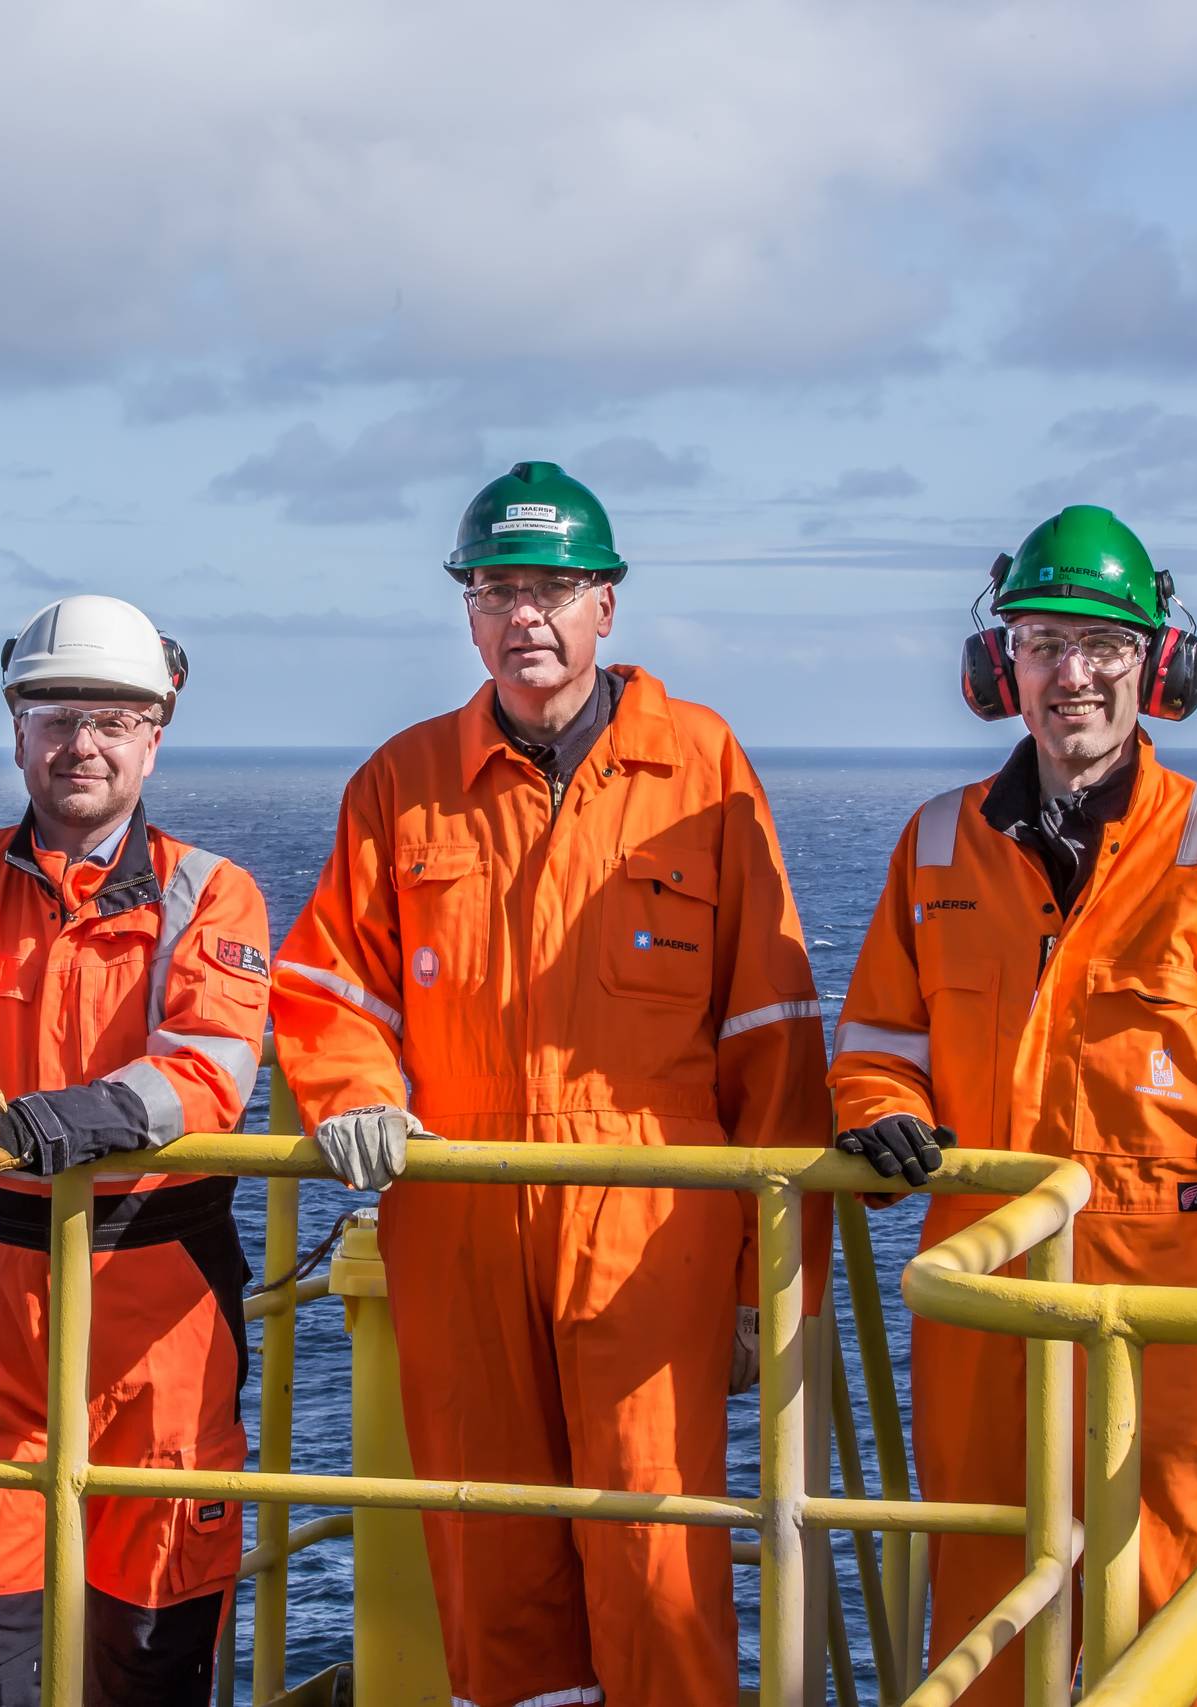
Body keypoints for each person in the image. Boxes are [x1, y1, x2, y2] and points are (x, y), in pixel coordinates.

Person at [269, 461, 831, 1707]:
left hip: (651, 1215)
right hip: (458, 1205)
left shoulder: (703, 768)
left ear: (607, 608)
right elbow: (326, 985)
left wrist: (768, 1282)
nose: (525, 615)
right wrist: (355, 1089)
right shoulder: (401, 783)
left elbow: (774, 1029)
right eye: (497, 589)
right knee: (488, 1543)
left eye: (554, 589)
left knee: (656, 1546)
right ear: (468, 613)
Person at [828, 505, 1197, 1707]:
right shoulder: (936, 844)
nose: (1075, 674)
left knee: (1175, 1613)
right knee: (980, 1606)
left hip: (1162, 1296)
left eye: (1106, 644)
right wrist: (875, 1105)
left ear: (1157, 667)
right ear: (998, 668)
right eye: (1045, 641)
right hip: (978, 1279)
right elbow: (874, 1044)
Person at [0, 594, 271, 1707]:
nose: (82, 744)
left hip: (160, 1310)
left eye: (112, 721)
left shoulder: (208, 894)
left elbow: (206, 1067)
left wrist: (35, 1126)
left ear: (154, 736)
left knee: (151, 1642)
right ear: (17, 729)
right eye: (56, 716)